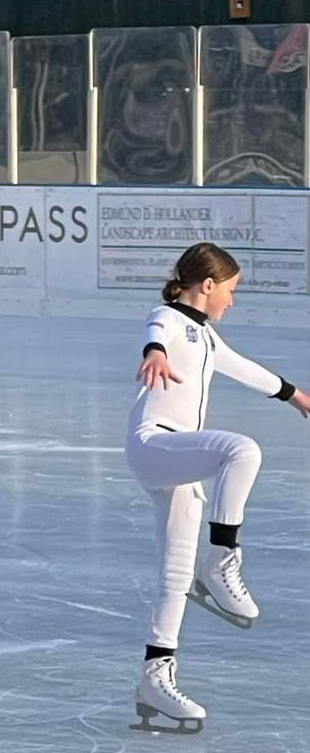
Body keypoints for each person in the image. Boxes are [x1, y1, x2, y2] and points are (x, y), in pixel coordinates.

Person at [127, 242, 310, 733]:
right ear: (207, 285)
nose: (231, 300)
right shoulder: (167, 316)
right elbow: (156, 332)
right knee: (241, 450)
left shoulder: (208, 338)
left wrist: (299, 398)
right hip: (156, 445)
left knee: (173, 572)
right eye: (230, 290)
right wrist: (155, 353)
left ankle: (154, 679)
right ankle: (222, 557)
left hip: (180, 459)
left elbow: (246, 369)